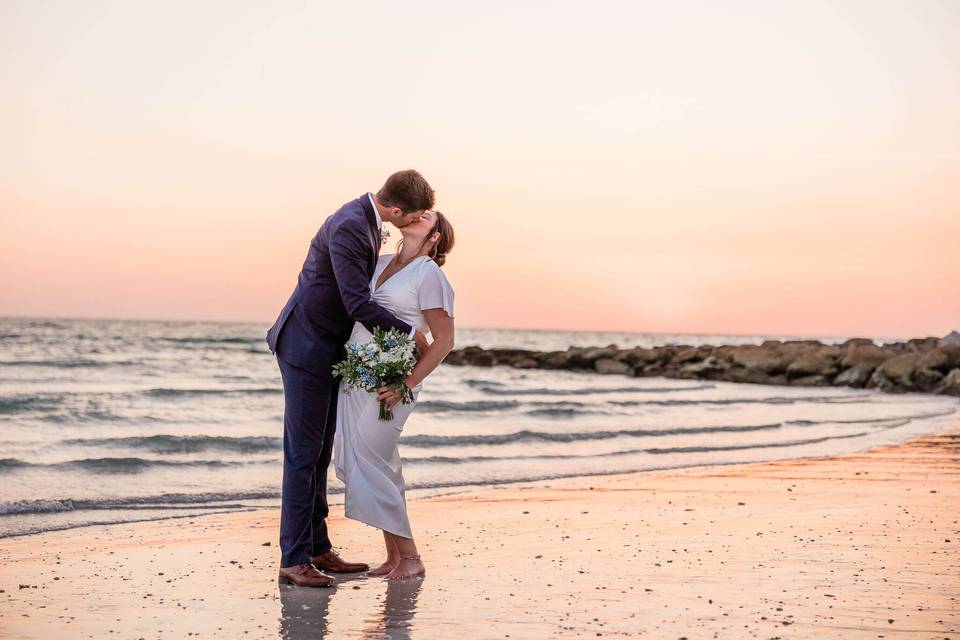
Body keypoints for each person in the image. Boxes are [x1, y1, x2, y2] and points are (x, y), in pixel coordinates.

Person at [266, 170, 439, 587]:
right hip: (306, 346)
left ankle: (317, 546)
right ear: (396, 210)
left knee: (320, 450)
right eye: (413, 215)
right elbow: (356, 301)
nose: (416, 221)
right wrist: (409, 332)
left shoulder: (365, 221)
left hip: (326, 348)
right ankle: (293, 560)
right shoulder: (350, 225)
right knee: (304, 454)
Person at [334, 209, 456, 580]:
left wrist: (406, 385)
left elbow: (445, 340)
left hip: (392, 382)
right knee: (380, 464)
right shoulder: (380, 261)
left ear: (434, 237)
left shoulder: (429, 274)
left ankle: (411, 557)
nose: (416, 216)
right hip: (356, 375)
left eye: (426, 218)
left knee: (370, 460)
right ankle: (393, 557)